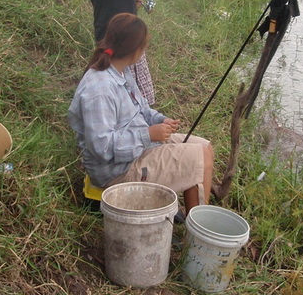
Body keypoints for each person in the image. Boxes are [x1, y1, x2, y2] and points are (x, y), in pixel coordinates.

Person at [68, 13, 213, 214]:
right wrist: (148, 134)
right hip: (117, 171)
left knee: (205, 147)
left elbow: (142, 108)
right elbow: (101, 147)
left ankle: (194, 216)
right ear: (135, 50)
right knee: (199, 158)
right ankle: (197, 232)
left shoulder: (122, 70)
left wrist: (160, 120)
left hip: (139, 149)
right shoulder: (99, 89)